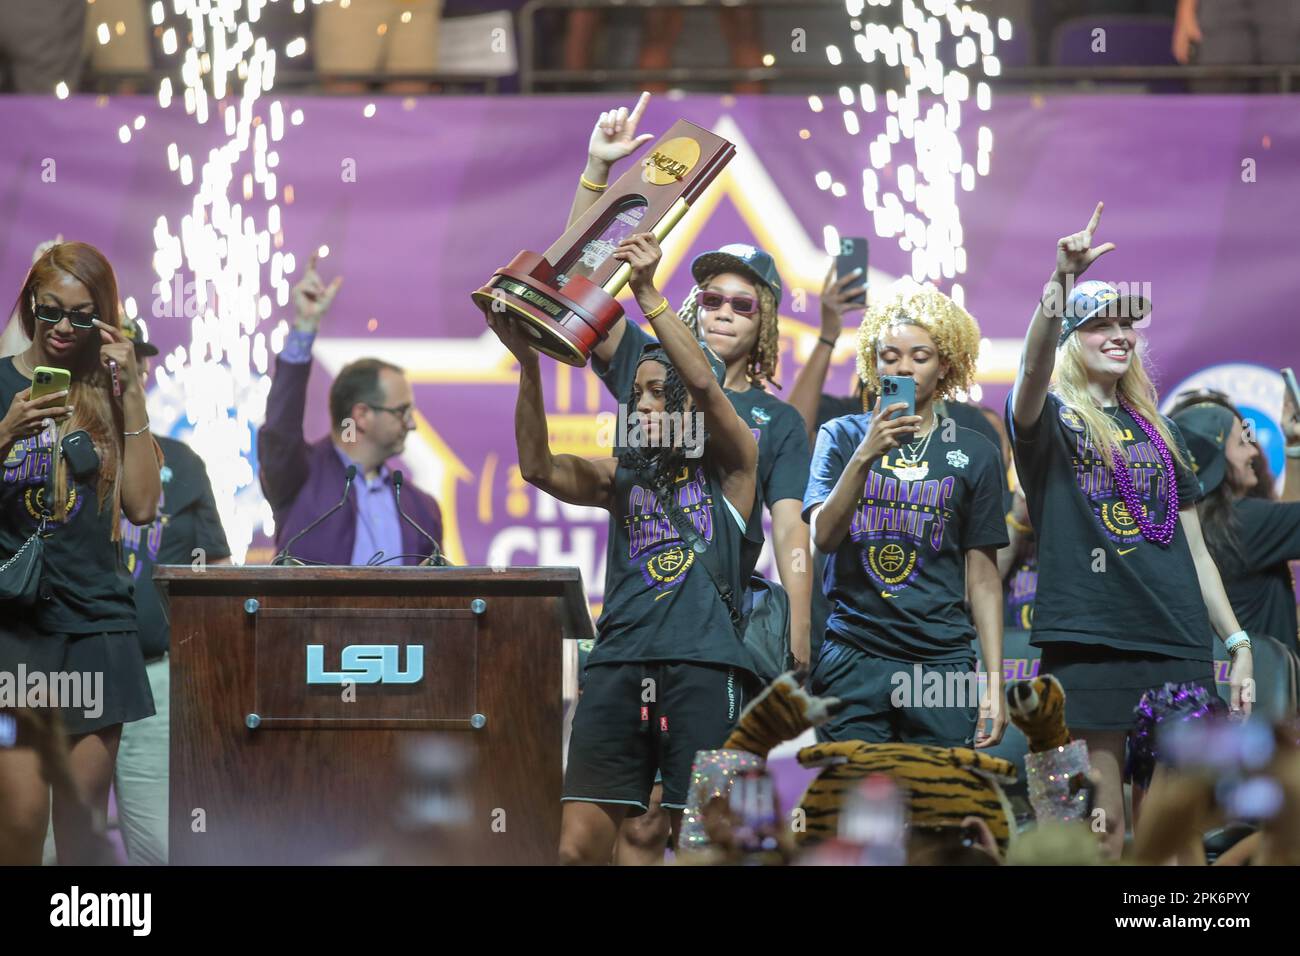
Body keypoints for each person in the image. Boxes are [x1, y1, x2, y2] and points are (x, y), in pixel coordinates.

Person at [568, 94, 813, 862]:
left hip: (714, 647)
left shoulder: (777, 423)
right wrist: (596, 176)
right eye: (709, 296)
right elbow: (579, 280)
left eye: (743, 302)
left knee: (713, 843)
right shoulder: (649, 371)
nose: (722, 310)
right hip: (632, 639)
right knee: (602, 842)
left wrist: (801, 632)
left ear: (765, 321)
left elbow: (790, 529)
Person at [489, 225, 761, 865]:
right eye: (634, 393)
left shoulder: (733, 465)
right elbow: (539, 467)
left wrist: (648, 292)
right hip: (617, 664)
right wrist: (527, 364)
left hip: (703, 666)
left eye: (653, 393)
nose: (638, 406)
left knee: (709, 847)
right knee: (578, 850)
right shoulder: (621, 477)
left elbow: (706, 388)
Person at [1006, 201, 1253, 859]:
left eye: (1126, 325)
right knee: (1097, 831)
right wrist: (1059, 282)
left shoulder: (1165, 432)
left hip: (1175, 642)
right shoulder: (1051, 426)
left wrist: (1236, 639)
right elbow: (1028, 373)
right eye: (1097, 326)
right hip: (1089, 640)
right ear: (1069, 340)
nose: (1118, 334)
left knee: (1177, 836)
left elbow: (1196, 552)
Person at [0, 241, 162, 864]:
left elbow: (143, 508)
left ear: (104, 318)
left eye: (80, 316)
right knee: (16, 823)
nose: (62, 328)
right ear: (28, 308)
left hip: (96, 626)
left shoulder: (108, 390)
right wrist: (5, 433)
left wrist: (134, 394)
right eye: (49, 312)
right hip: (15, 631)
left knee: (82, 827)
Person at [803, 281, 1009, 750]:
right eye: (889, 356)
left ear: (946, 365)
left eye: (920, 356)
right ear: (873, 365)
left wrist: (994, 684)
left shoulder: (975, 451)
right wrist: (865, 454)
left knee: (935, 814)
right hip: (854, 654)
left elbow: (982, 576)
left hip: (941, 662)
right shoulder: (840, 436)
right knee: (852, 814)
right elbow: (824, 538)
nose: (903, 367)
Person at [112, 314, 232, 865]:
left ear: (143, 367)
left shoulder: (182, 463)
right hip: (61, 673)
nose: (126, 365)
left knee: (160, 850)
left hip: (157, 678)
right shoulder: (48, 452)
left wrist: (212, 679)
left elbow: (219, 576)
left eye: (133, 355)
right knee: (47, 846)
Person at [258, 256, 444, 566]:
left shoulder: (422, 509)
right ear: (361, 416)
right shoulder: (298, 476)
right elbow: (279, 431)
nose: (411, 425)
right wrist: (304, 329)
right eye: (401, 412)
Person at [1171, 392, 1300, 654]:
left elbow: (1285, 520)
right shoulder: (1245, 522)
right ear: (1217, 461)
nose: (1255, 450)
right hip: (1264, 685)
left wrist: (1294, 447)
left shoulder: (1191, 522)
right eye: (1243, 443)